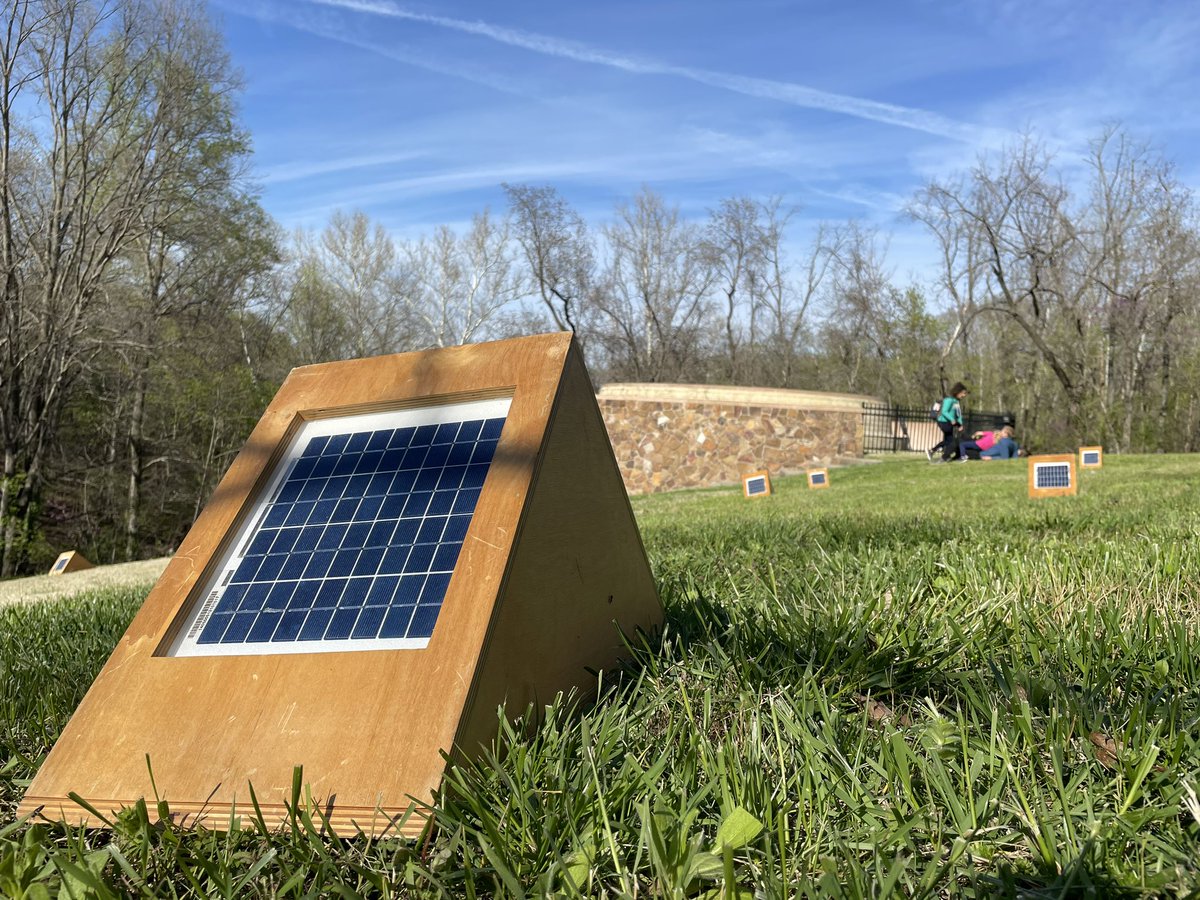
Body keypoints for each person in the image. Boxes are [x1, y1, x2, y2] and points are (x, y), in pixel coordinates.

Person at [927, 382, 968, 462]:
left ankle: (934, 452)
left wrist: (960, 424)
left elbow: (958, 414)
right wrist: (952, 419)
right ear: (958, 392)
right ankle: (944, 456)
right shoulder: (948, 400)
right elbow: (944, 412)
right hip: (943, 422)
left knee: (948, 440)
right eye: (963, 393)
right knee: (950, 440)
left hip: (949, 423)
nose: (964, 395)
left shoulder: (956, 401)